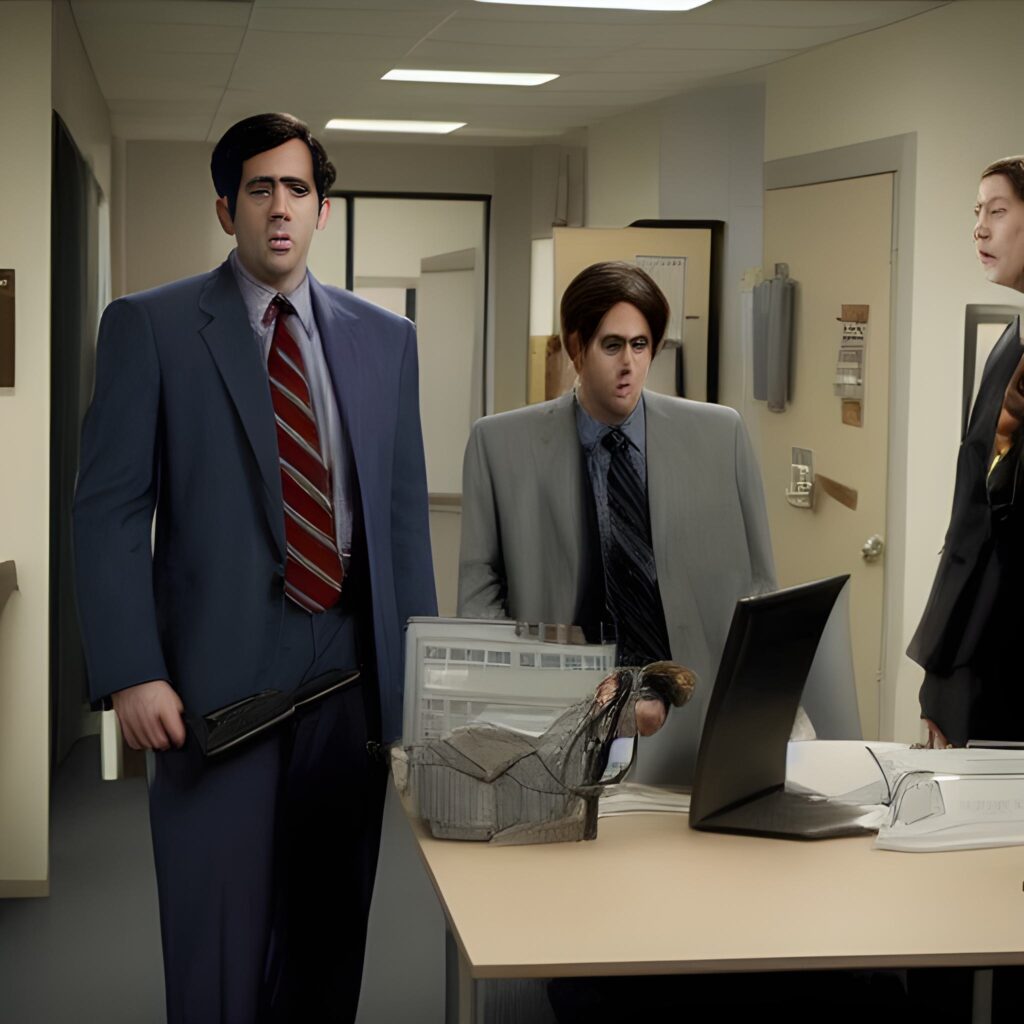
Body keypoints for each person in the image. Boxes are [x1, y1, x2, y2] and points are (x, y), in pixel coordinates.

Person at [72, 113, 436, 1023]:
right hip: (211, 687)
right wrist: (132, 670)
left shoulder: (385, 339)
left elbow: (401, 526)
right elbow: (109, 510)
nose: (280, 208)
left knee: (326, 943)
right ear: (225, 207)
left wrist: (420, 690)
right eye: (260, 189)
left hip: (347, 679)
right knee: (219, 951)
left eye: (298, 190)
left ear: (323, 209)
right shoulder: (151, 327)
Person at [458, 260, 776, 786]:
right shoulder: (499, 445)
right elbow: (479, 596)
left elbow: (761, 585)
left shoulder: (720, 435)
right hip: (560, 717)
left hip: (692, 713)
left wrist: (755, 704)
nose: (628, 364)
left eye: (640, 345)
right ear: (576, 347)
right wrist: (520, 699)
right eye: (612, 346)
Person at [908, 157, 1024, 749]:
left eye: (997, 211)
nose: (979, 227)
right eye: (977, 212)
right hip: (984, 650)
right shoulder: (1011, 342)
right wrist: (943, 674)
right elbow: (974, 519)